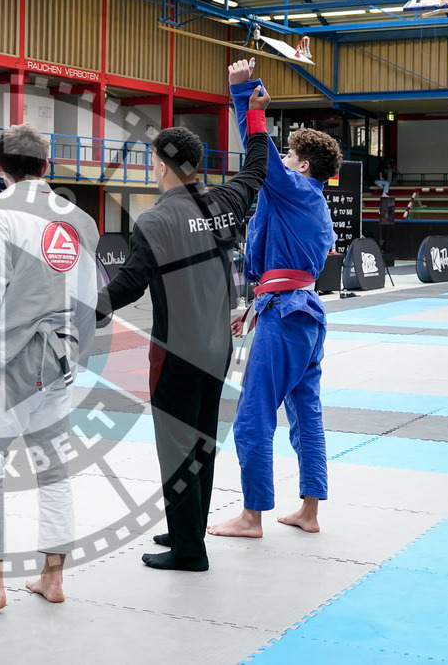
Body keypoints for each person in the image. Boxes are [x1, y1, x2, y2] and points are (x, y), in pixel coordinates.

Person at [95, 61, 270, 572]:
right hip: (218, 351)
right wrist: (254, 115)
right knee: (202, 445)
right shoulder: (227, 203)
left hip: (175, 355)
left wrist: (83, 312)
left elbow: (128, 286)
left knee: (177, 449)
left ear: (163, 165)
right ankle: (184, 530)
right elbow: (257, 167)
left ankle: (190, 549)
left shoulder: (154, 220)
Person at [0, 124, 98, 610]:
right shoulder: (80, 219)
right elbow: (92, 300)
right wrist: (78, 358)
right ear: (46, 166)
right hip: (63, 355)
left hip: (11, 359)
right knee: (53, 469)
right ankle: (52, 578)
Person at [208, 60, 342, 540]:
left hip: (287, 318)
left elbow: (257, 158)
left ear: (303, 166)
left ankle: (252, 515)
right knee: (307, 413)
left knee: (254, 415)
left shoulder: (297, 191)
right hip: (300, 312)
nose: (281, 161)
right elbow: (285, 271)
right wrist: (253, 307)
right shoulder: (314, 203)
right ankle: (309, 510)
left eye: (289, 156)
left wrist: (246, 100)